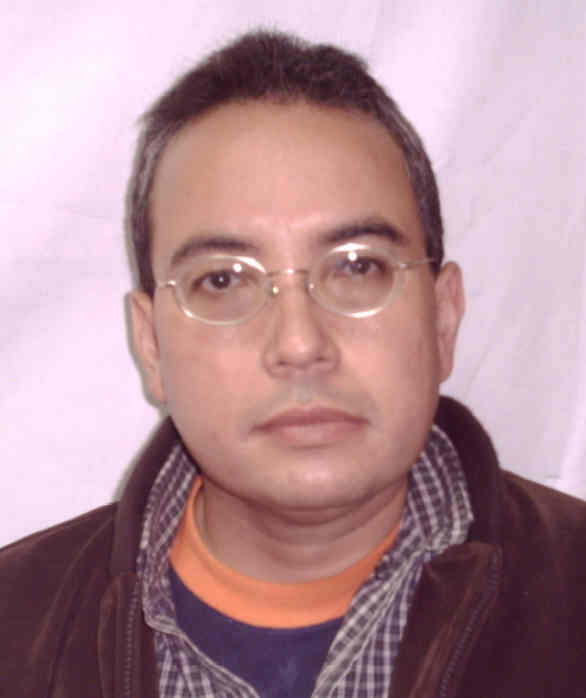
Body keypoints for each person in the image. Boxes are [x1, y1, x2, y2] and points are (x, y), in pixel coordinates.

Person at [2, 29, 585, 698]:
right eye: (223, 280)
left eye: (357, 267)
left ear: (443, 317)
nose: (300, 343)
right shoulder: (17, 630)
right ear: (152, 345)